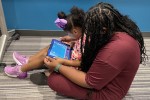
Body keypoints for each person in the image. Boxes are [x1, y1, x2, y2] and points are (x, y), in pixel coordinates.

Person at [43, 2, 147, 100]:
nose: (89, 34)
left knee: (54, 80)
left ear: (103, 29)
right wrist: (74, 39)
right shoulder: (119, 31)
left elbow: (90, 82)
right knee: (55, 52)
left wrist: (59, 67)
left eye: (91, 31)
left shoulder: (115, 50)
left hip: (107, 92)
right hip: (106, 76)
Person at [4, 6, 86, 79]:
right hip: (71, 55)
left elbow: (81, 62)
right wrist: (71, 40)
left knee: (46, 56)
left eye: (69, 33)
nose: (69, 35)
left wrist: (63, 61)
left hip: (72, 65)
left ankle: (21, 70)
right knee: (51, 47)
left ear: (75, 31)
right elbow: (78, 42)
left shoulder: (86, 42)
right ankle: (28, 61)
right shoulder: (83, 34)